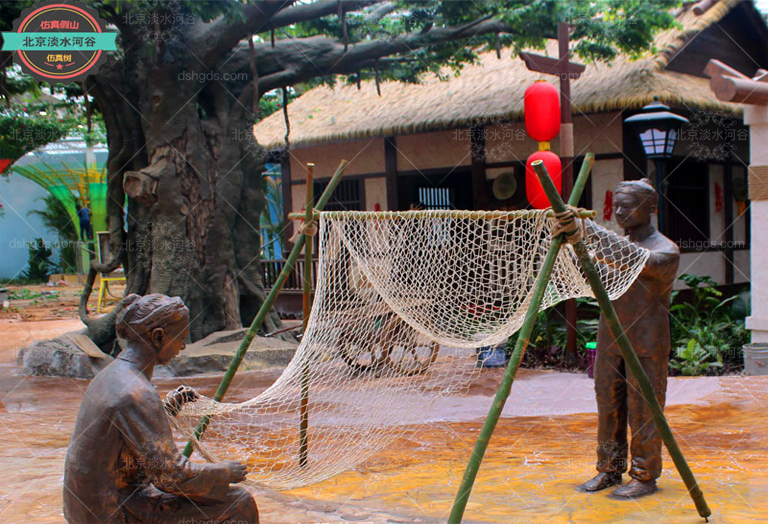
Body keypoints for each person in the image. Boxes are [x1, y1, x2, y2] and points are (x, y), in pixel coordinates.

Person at [63, 293, 258, 524]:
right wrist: (223, 471)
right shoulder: (136, 393)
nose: (182, 346)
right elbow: (170, 475)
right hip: (112, 511)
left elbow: (132, 440)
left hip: (85, 508)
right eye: (181, 337)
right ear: (158, 336)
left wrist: (167, 411)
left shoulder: (111, 375)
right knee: (239, 504)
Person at [579, 178, 680, 499]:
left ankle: (644, 475)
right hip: (611, 336)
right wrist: (576, 244)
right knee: (608, 404)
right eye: (617, 206)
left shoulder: (665, 250)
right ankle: (609, 469)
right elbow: (594, 275)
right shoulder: (616, 247)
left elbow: (635, 259)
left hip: (647, 341)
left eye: (628, 206)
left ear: (650, 208)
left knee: (644, 408)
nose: (620, 212)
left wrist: (587, 230)